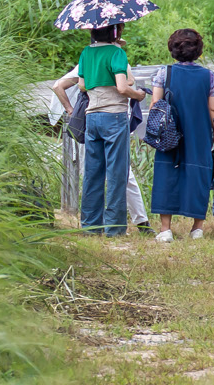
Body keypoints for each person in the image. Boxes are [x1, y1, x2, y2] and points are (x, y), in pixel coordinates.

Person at [51, 23, 145, 236]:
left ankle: (91, 226)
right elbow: (122, 87)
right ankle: (114, 229)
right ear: (115, 32)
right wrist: (138, 95)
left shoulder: (86, 52)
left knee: (93, 172)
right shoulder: (116, 52)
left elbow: (82, 86)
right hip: (114, 116)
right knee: (116, 172)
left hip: (91, 117)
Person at [147, 28, 214, 242]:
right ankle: (197, 228)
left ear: (173, 50)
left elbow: (155, 104)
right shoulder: (208, 76)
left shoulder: (164, 73)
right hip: (199, 133)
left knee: (166, 174)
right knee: (199, 174)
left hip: (170, 133)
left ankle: (165, 229)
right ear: (198, 51)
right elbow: (213, 110)